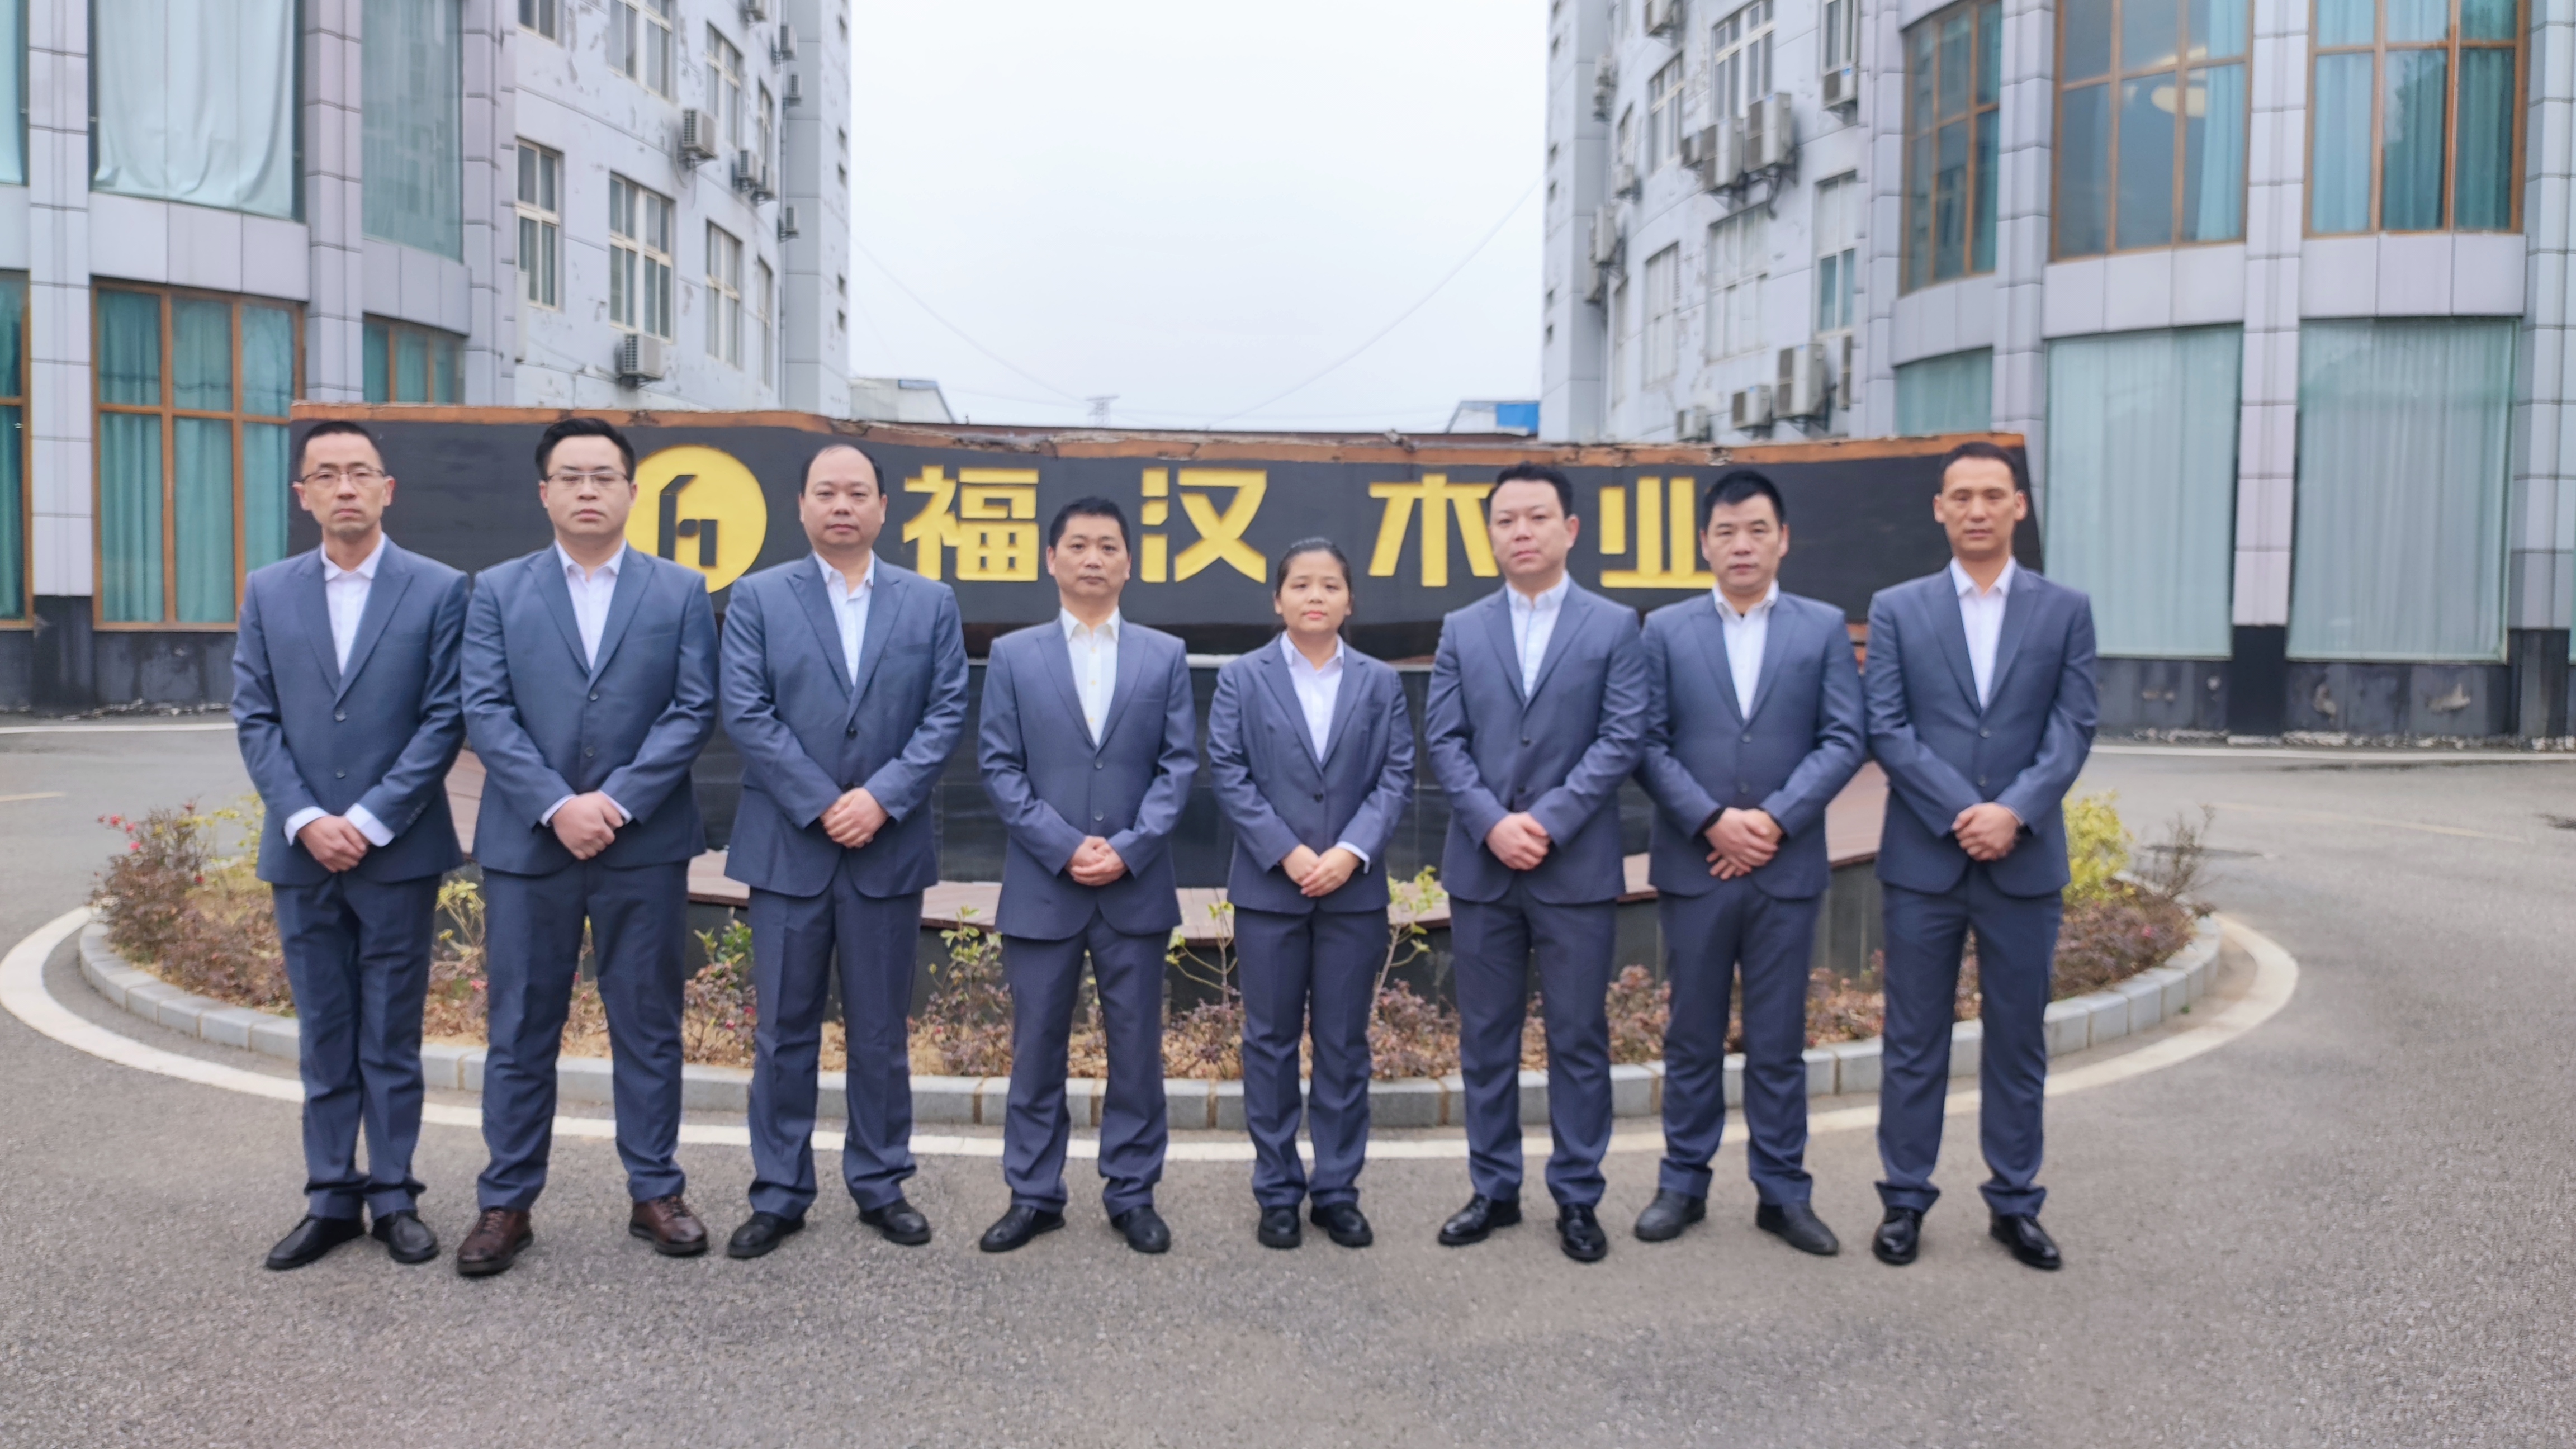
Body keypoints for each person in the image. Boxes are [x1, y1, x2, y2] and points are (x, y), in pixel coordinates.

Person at [453, 416, 719, 1278]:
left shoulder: (678, 590)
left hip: (643, 844)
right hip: (530, 845)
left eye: (604, 476)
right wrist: (557, 806)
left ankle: (656, 1191)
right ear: (545, 493)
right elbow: (485, 709)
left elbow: (693, 709)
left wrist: (616, 801)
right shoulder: (499, 590)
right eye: (571, 477)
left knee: (648, 1023)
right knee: (521, 1027)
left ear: (633, 491)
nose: (588, 490)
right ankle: (507, 1202)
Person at [716, 443, 968, 1259]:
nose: (842, 506)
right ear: (801, 506)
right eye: (826, 492)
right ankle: (779, 1191)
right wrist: (823, 802)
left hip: (885, 849)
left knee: (880, 1031)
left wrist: (880, 799)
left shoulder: (929, 602)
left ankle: (881, 1182)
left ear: (883, 508)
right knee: (783, 1031)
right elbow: (746, 710)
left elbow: (945, 713)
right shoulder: (759, 597)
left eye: (858, 493)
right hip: (789, 847)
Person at [231, 420, 470, 1271]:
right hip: (302, 852)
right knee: (325, 1031)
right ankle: (331, 1196)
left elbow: (446, 716)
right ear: (303, 495)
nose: (344, 487)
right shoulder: (269, 590)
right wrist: (305, 818)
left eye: (359, 472)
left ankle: (395, 1195)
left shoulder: (439, 589)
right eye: (326, 474)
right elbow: (255, 716)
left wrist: (368, 820)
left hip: (397, 849)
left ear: (386, 489)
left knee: (391, 1034)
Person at [1864, 439, 2097, 1272]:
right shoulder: (1898, 609)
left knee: (2018, 1040)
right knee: (1913, 1038)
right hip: (1925, 860)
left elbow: (2073, 728)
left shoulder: (2065, 610)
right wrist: (1966, 812)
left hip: (2023, 863)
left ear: (2018, 507)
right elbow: (1887, 726)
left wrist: (2015, 813)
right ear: (1939, 509)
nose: (1976, 510)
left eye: (1993, 495)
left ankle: (2015, 1202)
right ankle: (1904, 1198)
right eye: (1960, 496)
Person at [1631, 470, 1865, 1253]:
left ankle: (1783, 1192)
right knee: (1691, 1034)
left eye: (1757, 530)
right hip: (1696, 866)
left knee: (1778, 1039)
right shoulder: (1665, 631)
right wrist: (1711, 823)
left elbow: (1844, 738)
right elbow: (1646, 743)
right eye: (1727, 532)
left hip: (1784, 867)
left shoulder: (1820, 627)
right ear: (1705, 542)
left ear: (1783, 540)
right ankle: (1682, 1184)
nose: (1742, 545)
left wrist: (1773, 821)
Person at [1422, 462, 1648, 1263]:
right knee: (1487, 1036)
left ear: (1570, 529)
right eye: (1506, 520)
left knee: (1578, 1037)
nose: (1521, 532)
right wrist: (1493, 825)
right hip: (1484, 869)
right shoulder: (1462, 628)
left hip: (1573, 868)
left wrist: (1546, 823)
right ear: (1490, 535)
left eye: (1537, 517)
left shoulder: (1614, 626)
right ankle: (1494, 1188)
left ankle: (1578, 1196)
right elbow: (1444, 739)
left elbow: (1621, 738)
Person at [974, 498, 1197, 1256]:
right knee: (1036, 1050)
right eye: (1077, 545)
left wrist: (1129, 849)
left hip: (1135, 887)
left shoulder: (1165, 655)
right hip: (1046, 886)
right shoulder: (1014, 655)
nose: (1093, 557)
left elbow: (1178, 767)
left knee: (1136, 1053)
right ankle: (1034, 1195)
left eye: (1108, 545)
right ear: (1052, 559)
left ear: (1129, 562)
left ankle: (1132, 1193)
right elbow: (1000, 767)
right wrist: (1065, 847)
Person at [1203, 538, 1417, 1251]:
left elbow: (1396, 776)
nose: (1315, 596)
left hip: (1352, 894)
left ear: (1350, 601)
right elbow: (1229, 771)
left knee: (1344, 1045)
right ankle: (1277, 1191)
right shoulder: (1243, 678)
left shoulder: (1380, 684)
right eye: (1300, 585)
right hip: (1272, 890)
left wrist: (1351, 852)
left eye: (1330, 585)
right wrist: (1289, 852)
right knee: (1268, 1043)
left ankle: (1337, 1191)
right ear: (1278, 599)